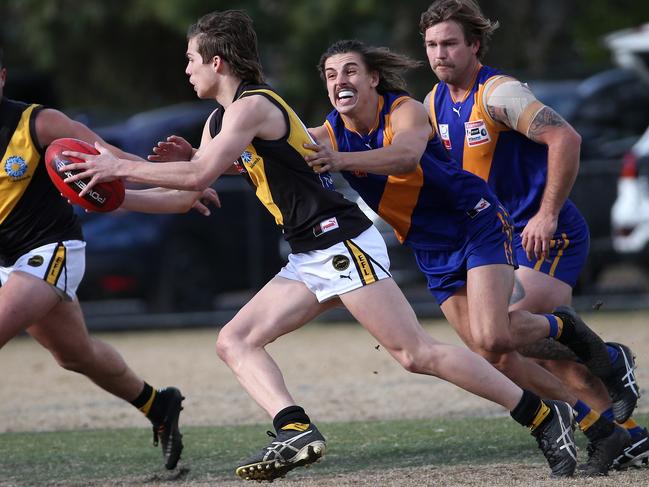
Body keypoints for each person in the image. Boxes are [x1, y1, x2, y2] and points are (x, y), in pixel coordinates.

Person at [61, 10, 583, 481]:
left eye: (191, 59)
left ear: (217, 62)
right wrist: (114, 195)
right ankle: (295, 429)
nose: (187, 69)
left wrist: (117, 165)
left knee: (414, 353)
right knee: (234, 340)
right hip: (310, 254)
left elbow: (197, 171)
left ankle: (542, 415)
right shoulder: (222, 120)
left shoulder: (254, 107)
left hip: (340, 242)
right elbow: (188, 194)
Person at [305, 39, 632, 477]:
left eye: (349, 71)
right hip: (430, 246)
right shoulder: (328, 132)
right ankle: (603, 431)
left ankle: (577, 337)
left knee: (494, 335)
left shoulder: (404, 109)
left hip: (474, 221)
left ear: (372, 79)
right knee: (491, 352)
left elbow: (404, 157)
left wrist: (339, 160)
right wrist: (208, 159)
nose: (339, 81)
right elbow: (278, 144)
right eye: (330, 75)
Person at [418, 0, 646, 472]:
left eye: (450, 43)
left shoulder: (499, 92)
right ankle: (620, 436)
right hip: (499, 239)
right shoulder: (433, 102)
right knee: (508, 352)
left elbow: (566, 139)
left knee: (500, 331)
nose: (440, 53)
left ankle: (607, 357)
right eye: (432, 45)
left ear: (474, 45)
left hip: (546, 232)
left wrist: (547, 213)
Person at [0, 48, 218, 470]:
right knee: (75, 355)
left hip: (49, 251)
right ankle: (158, 405)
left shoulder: (39, 123)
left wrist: (181, 186)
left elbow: (112, 160)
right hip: (7, 261)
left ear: (3, 78)